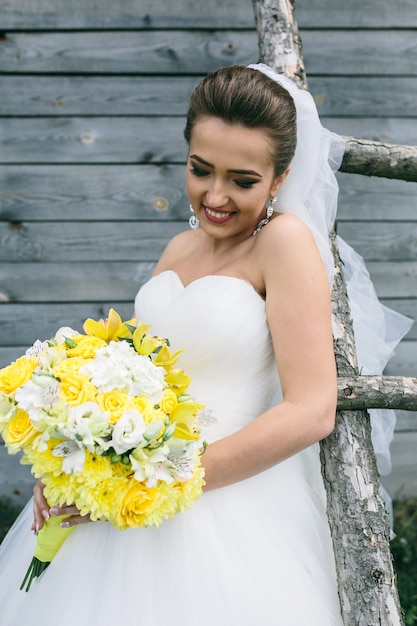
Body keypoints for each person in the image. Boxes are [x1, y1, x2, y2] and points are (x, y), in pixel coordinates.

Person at [0, 63, 410, 625]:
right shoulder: (179, 248)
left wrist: (165, 477)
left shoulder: (283, 244)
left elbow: (311, 409)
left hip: (225, 495)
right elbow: (133, 375)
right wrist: (77, 460)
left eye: (242, 180)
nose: (215, 196)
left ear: (280, 178)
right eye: (200, 170)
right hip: (129, 476)